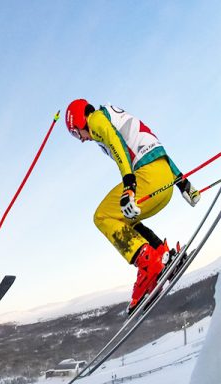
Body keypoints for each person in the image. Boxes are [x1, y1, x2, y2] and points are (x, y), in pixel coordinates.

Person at [65, 99, 199, 313]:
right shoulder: (116, 117)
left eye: (75, 133)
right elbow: (155, 148)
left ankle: (148, 265)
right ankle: (161, 254)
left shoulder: (97, 119)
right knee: (123, 218)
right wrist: (183, 183)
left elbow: (118, 146)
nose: (80, 139)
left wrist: (129, 186)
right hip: (164, 181)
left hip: (147, 179)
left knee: (101, 216)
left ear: (81, 120)